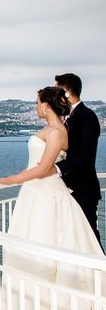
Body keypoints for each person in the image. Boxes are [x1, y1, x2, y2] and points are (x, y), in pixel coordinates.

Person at [0, 86, 105, 310]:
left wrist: (10, 180)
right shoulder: (50, 130)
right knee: (30, 241)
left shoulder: (56, 132)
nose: (35, 107)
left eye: (36, 103)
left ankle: (49, 306)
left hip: (45, 193)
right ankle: (29, 303)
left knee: (44, 242)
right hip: (35, 193)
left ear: (46, 105)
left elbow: (44, 169)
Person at [53, 73, 102, 243]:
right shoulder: (66, 117)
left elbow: (85, 155)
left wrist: (57, 169)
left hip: (83, 189)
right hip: (67, 189)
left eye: (57, 90)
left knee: (89, 238)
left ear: (66, 91)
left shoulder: (87, 116)